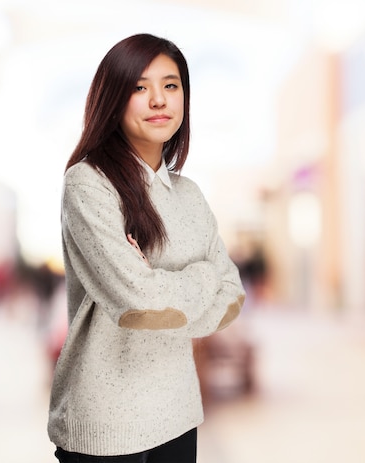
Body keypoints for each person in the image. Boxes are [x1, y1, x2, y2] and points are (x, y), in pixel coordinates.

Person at [47, 33, 246, 463]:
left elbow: (230, 295)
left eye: (170, 85)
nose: (158, 99)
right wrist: (201, 276)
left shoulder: (188, 193)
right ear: (113, 98)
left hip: (177, 412)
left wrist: (162, 285)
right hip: (104, 422)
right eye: (140, 87)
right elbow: (137, 301)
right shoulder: (88, 183)